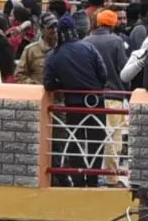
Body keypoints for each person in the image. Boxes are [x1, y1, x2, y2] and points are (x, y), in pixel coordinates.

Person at [42, 18, 112, 187]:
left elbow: (48, 83)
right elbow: (103, 75)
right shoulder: (88, 48)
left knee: (75, 142)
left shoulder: (54, 55)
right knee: (96, 142)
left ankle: (79, 179)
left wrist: (65, 84)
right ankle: (93, 179)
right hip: (95, 102)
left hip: (73, 104)